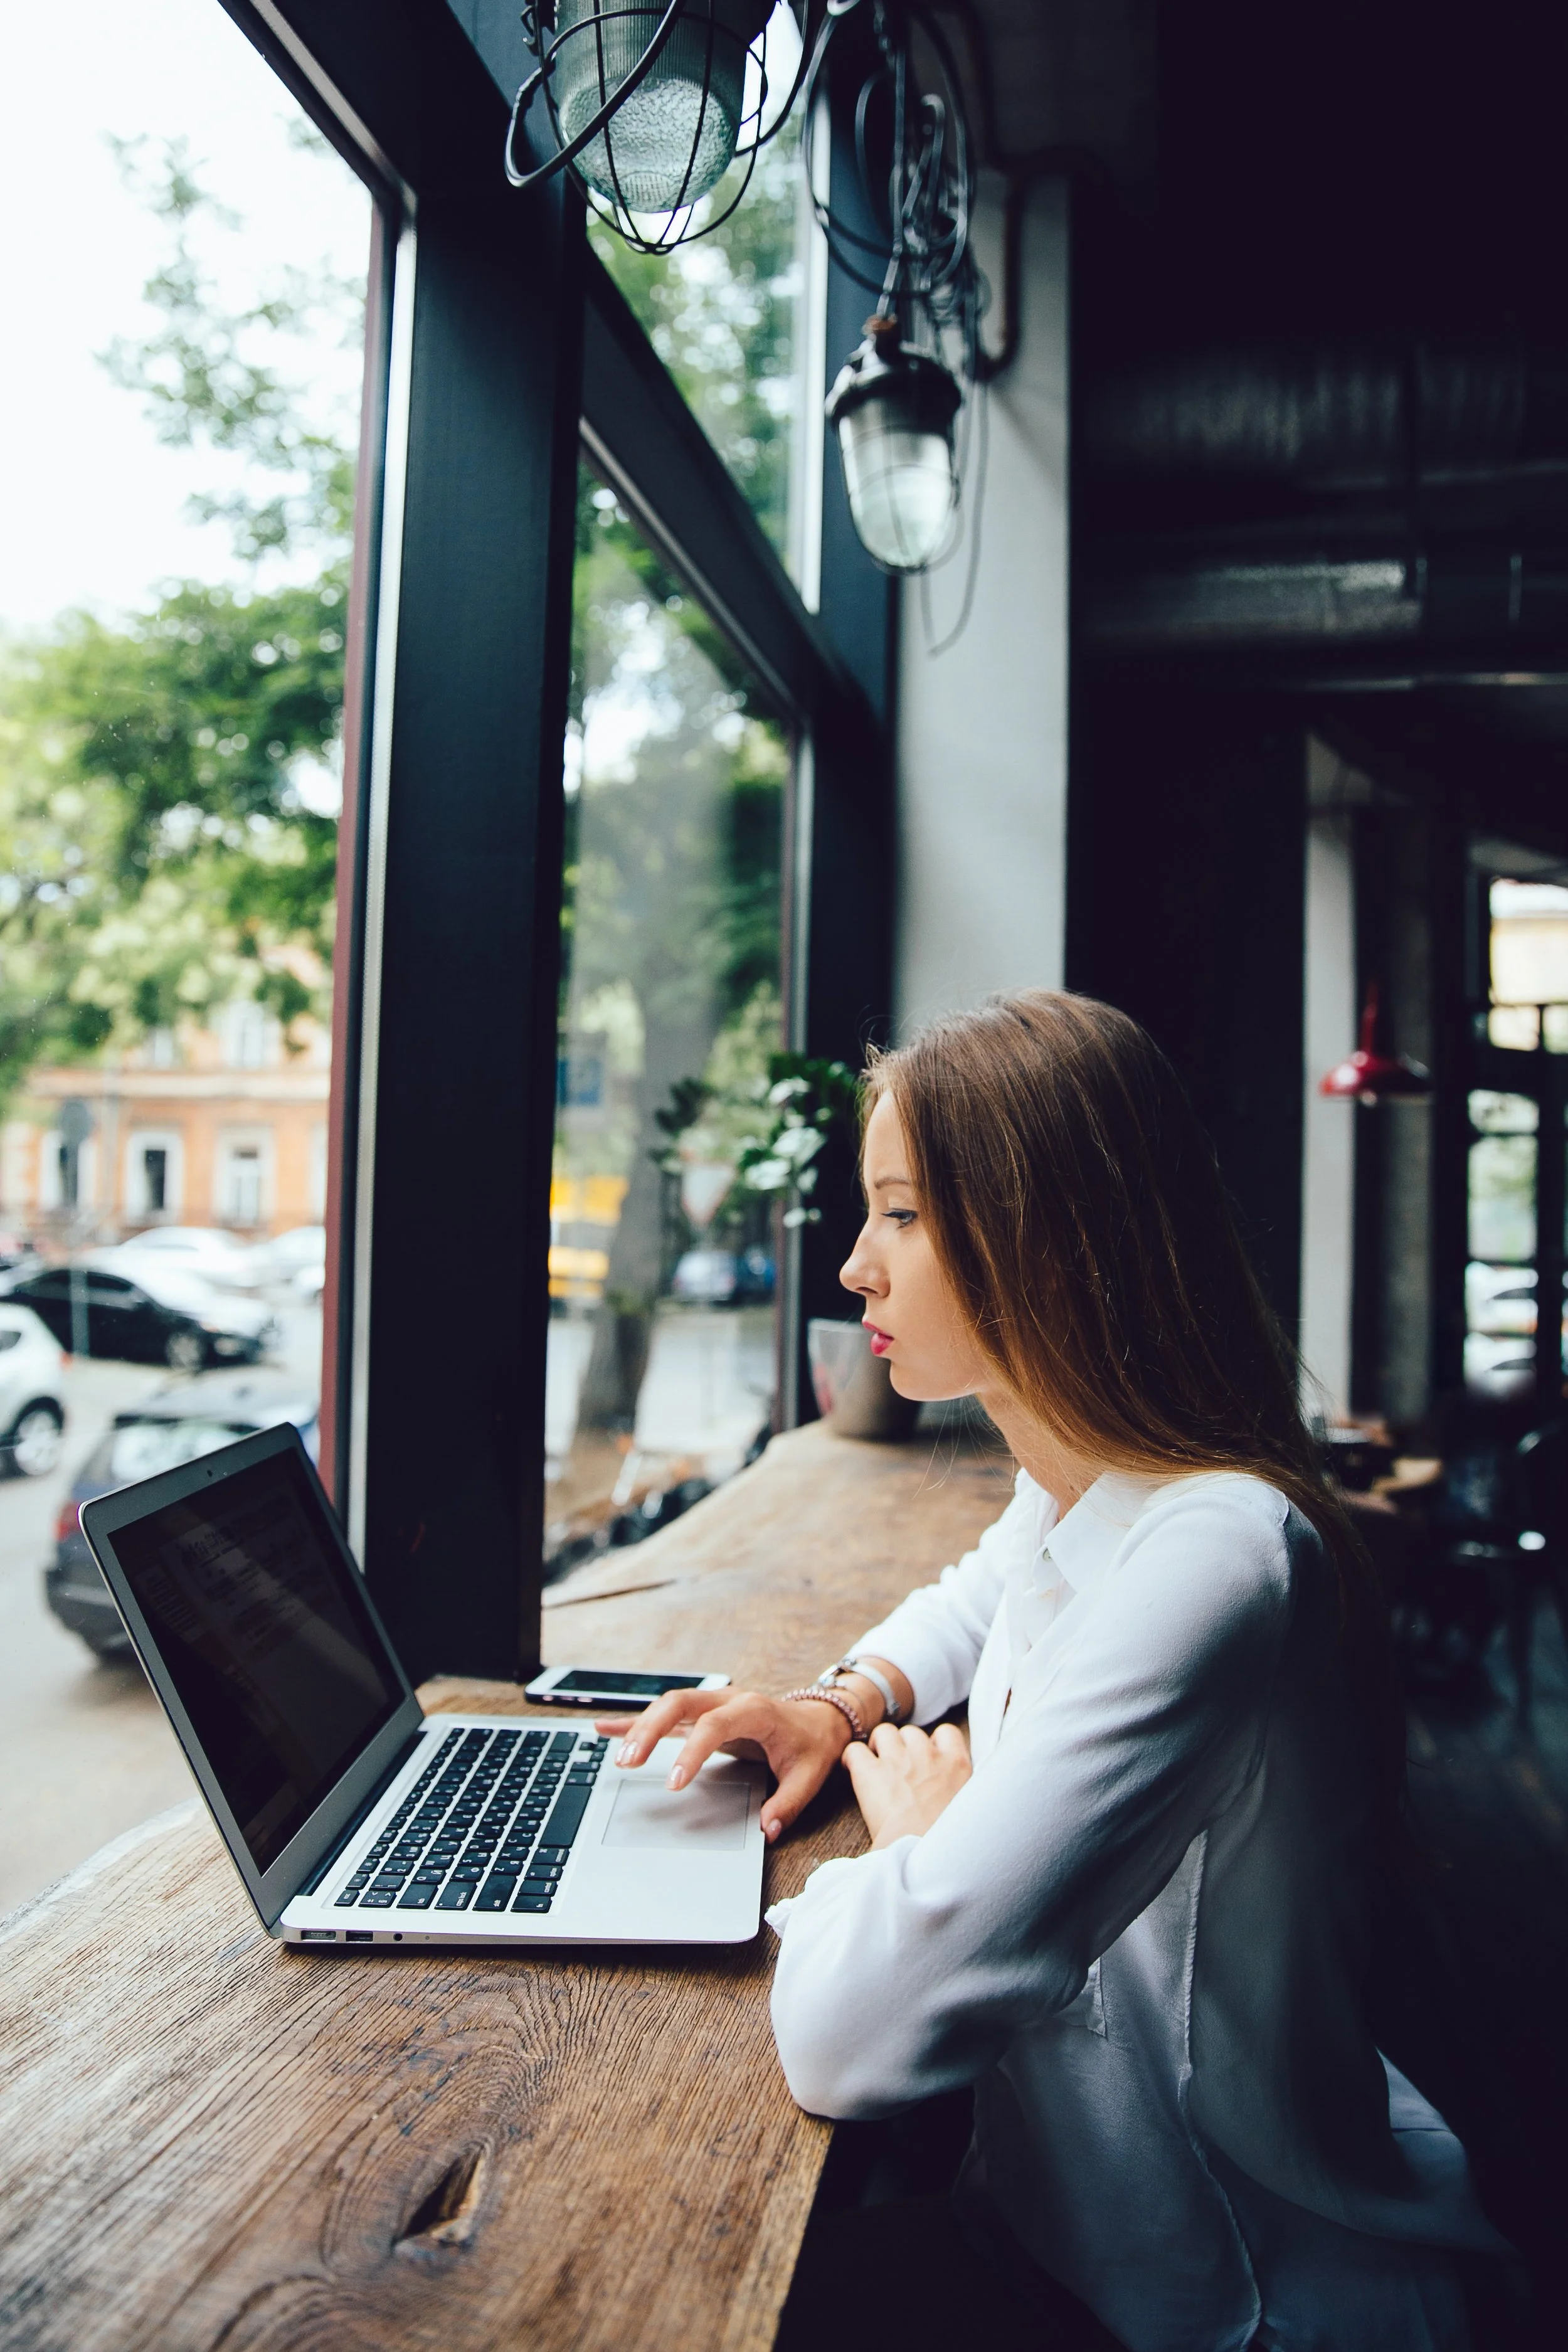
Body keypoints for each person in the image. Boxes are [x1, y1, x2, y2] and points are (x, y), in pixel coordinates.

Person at [601, 991, 1501, 2351]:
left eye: (899, 1215)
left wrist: (926, 1837)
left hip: (1230, 2300)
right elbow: (982, 1593)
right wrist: (834, 1703)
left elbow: (857, 2035)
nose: (854, 1266)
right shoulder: (1096, 1480)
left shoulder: (1218, 1552)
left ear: (1046, 1233)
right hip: (1049, 2240)